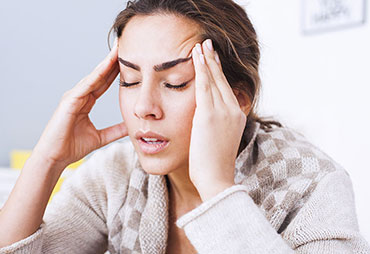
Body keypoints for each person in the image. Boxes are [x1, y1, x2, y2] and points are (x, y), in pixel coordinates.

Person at [0, 0, 369, 253]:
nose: (144, 107)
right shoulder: (113, 175)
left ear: (238, 98)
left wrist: (216, 187)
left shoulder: (313, 185)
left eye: (174, 82)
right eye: (129, 80)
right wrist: (47, 159)